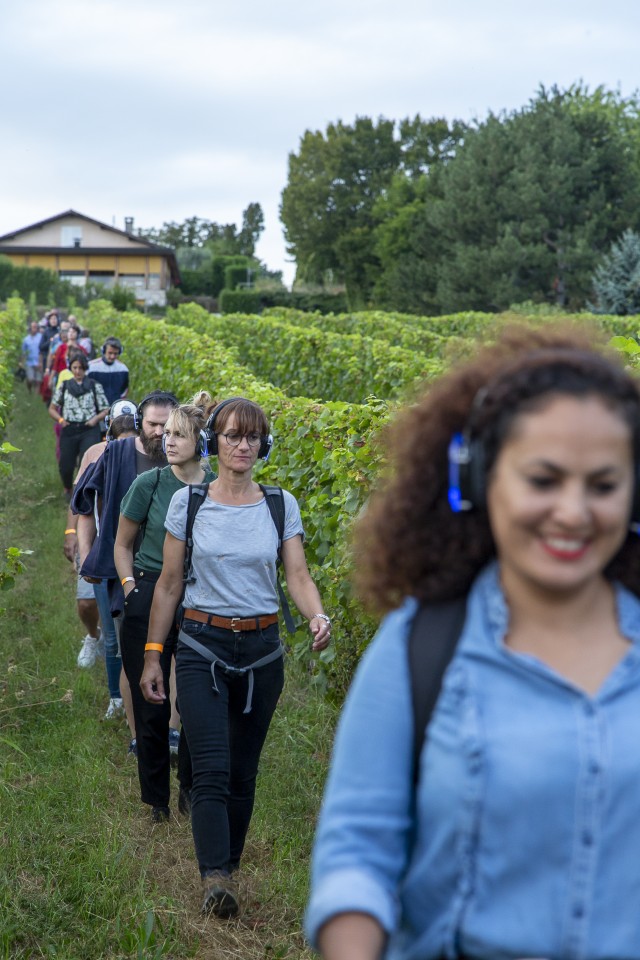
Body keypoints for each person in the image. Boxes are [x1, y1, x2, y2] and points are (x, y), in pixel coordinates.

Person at [306, 325, 640, 960]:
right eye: (543, 480)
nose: (573, 511)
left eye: (603, 485)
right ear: (480, 477)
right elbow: (358, 849)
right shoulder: (423, 646)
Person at [141, 397, 331, 918]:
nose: (243, 445)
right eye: (232, 436)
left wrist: (318, 616)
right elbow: (170, 583)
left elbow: (297, 576)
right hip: (203, 645)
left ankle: (230, 864)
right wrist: (155, 655)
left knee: (244, 773)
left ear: (263, 445)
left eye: (252, 437)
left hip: (263, 652)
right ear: (214, 443)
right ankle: (215, 877)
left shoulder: (279, 503)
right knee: (211, 768)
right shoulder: (190, 503)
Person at [114, 393, 217, 822]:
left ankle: (189, 787)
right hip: (151, 589)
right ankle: (156, 799)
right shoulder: (150, 484)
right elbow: (122, 543)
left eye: (179, 435)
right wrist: (130, 586)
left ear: (200, 442)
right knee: (150, 699)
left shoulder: (217, 488)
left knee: (196, 701)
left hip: (199, 595)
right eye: (167, 433)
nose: (168, 441)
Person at [72, 390, 180, 755]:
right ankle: (139, 738)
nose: (159, 433)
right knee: (132, 652)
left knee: (177, 652)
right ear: (139, 424)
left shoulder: (189, 461)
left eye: (167, 426)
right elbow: (85, 504)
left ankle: (172, 732)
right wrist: (87, 554)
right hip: (126, 575)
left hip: (178, 575)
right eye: (152, 424)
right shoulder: (116, 455)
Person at [48, 353, 109, 499]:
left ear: (85, 369)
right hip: (69, 429)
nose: (77, 371)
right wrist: (61, 420)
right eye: (74, 367)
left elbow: (106, 408)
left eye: (81, 368)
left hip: (89, 429)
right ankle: (68, 487)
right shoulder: (65, 386)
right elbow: (52, 408)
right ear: (71, 368)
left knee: (88, 462)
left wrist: (95, 419)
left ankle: (83, 492)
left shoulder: (94, 385)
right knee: (66, 465)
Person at [88, 337, 130, 414]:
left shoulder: (123, 369)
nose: (112, 356)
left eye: (115, 354)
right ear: (103, 351)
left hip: (115, 409)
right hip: (95, 410)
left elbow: (124, 390)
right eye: (110, 353)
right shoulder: (92, 367)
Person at [21, 320, 43, 393]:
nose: (34, 329)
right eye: (33, 327)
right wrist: (21, 362)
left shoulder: (41, 337)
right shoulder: (26, 339)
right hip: (29, 362)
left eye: (36, 327)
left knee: (38, 381)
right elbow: (23, 351)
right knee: (30, 379)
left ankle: (35, 396)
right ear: (30, 328)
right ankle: (29, 391)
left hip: (39, 362)